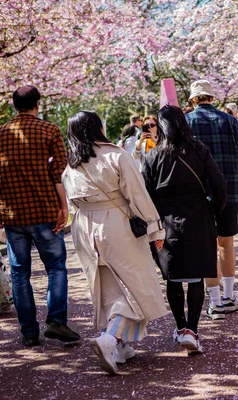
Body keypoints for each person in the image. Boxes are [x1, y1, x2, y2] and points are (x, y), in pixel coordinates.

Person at [61, 111, 168, 375]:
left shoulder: (71, 165)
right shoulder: (116, 155)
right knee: (135, 284)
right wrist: (155, 229)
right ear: (98, 128)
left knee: (107, 288)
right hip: (117, 225)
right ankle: (109, 339)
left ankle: (119, 346)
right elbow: (137, 193)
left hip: (84, 228)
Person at [143, 105, 227, 354]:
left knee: (173, 276)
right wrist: (213, 209)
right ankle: (192, 329)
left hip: (165, 223)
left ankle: (180, 328)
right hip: (198, 218)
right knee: (196, 276)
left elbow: (144, 194)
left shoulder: (152, 155)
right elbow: (219, 185)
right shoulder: (199, 150)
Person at [0, 85, 80, 347]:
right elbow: (58, 173)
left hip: (13, 215)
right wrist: (64, 207)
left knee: (20, 272)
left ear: (14, 106)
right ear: (38, 104)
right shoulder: (49, 130)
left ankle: (29, 332)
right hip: (45, 210)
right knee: (56, 267)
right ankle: (56, 320)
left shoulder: (1, 134)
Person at [185, 79, 238, 319]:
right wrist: (237, 188)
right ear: (212, 97)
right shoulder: (231, 121)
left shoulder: (187, 122)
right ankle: (230, 294)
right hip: (228, 190)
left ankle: (215, 301)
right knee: (226, 242)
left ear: (193, 99)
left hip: (199, 193)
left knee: (207, 245)